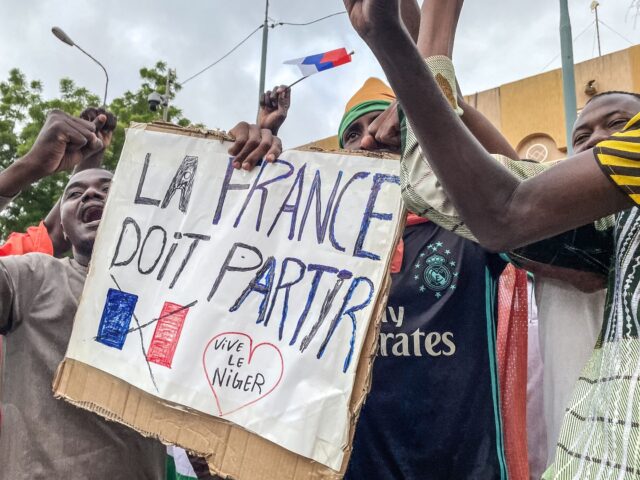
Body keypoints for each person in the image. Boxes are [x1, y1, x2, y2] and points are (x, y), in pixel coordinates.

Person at [342, 0, 640, 477]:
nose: (597, 140)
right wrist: (411, 40)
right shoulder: (605, 230)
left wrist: (414, 33)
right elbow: (488, 171)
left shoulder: (591, 227)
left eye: (619, 126)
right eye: (581, 135)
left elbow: (494, 203)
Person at [0, 109, 281, 480]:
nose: (90, 195)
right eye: (74, 193)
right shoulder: (32, 278)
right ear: (62, 230)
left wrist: (261, 163)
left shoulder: (179, 297)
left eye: (107, 190)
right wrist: (27, 168)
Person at [0, 107, 117, 258]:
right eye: (75, 194)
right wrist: (32, 163)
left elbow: (51, 237)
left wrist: (91, 151)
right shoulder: (13, 274)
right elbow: (55, 235)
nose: (91, 192)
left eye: (107, 189)